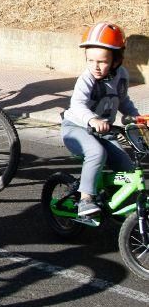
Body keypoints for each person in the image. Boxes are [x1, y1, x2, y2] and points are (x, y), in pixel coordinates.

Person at [61, 22, 141, 217]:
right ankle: (86, 199)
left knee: (126, 167)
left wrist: (137, 118)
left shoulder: (121, 76)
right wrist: (92, 119)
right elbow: (77, 105)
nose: (95, 67)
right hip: (76, 128)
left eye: (102, 62)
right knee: (96, 153)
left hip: (103, 132)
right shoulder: (86, 79)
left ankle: (114, 203)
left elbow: (123, 101)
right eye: (90, 60)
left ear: (116, 60)